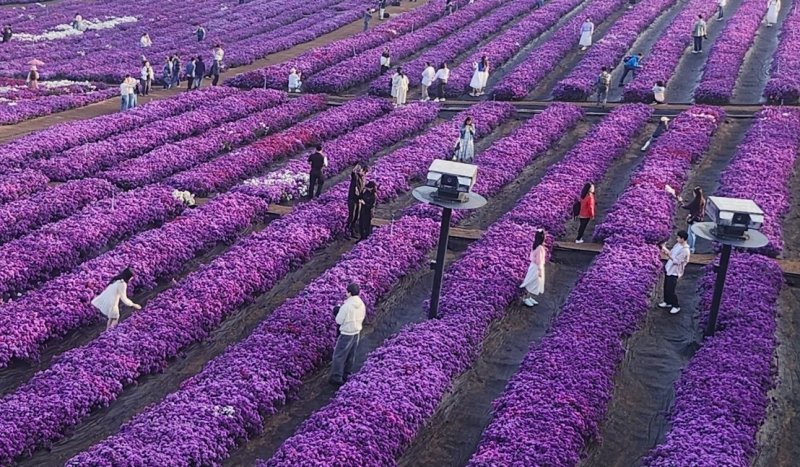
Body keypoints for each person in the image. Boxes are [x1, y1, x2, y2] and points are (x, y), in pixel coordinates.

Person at [329, 283, 366, 386]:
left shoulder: (347, 306)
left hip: (346, 333)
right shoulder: (361, 304)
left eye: (346, 292)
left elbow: (339, 320)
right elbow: (363, 315)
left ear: (349, 293)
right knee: (350, 354)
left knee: (339, 355)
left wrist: (337, 311)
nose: (346, 293)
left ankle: (337, 377)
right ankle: (347, 374)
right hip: (356, 332)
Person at [658, 231, 690, 315]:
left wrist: (668, 255)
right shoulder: (677, 245)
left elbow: (677, 261)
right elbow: (671, 253)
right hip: (669, 269)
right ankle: (667, 302)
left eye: (679, 237)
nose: (677, 239)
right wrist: (664, 249)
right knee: (666, 287)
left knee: (670, 290)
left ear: (683, 239)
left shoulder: (685, 250)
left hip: (675, 272)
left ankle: (676, 306)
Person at [520, 229, 546, 307]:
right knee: (532, 282)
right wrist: (540, 271)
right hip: (537, 267)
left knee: (531, 281)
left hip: (533, 266)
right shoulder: (540, 248)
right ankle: (525, 298)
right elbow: (539, 261)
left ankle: (529, 297)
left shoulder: (535, 245)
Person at [678, 186, 705, 253]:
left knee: (691, 234)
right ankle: (691, 248)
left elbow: (688, 207)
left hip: (694, 219)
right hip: (699, 218)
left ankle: (691, 248)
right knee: (693, 234)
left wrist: (681, 203)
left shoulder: (696, 201)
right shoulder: (702, 200)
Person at [346, 164, 366, 238]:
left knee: (356, 216)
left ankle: (352, 230)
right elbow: (353, 172)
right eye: (363, 171)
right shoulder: (356, 177)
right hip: (352, 199)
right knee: (352, 216)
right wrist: (357, 165)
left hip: (358, 200)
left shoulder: (363, 178)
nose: (363, 173)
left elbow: (362, 189)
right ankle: (347, 231)